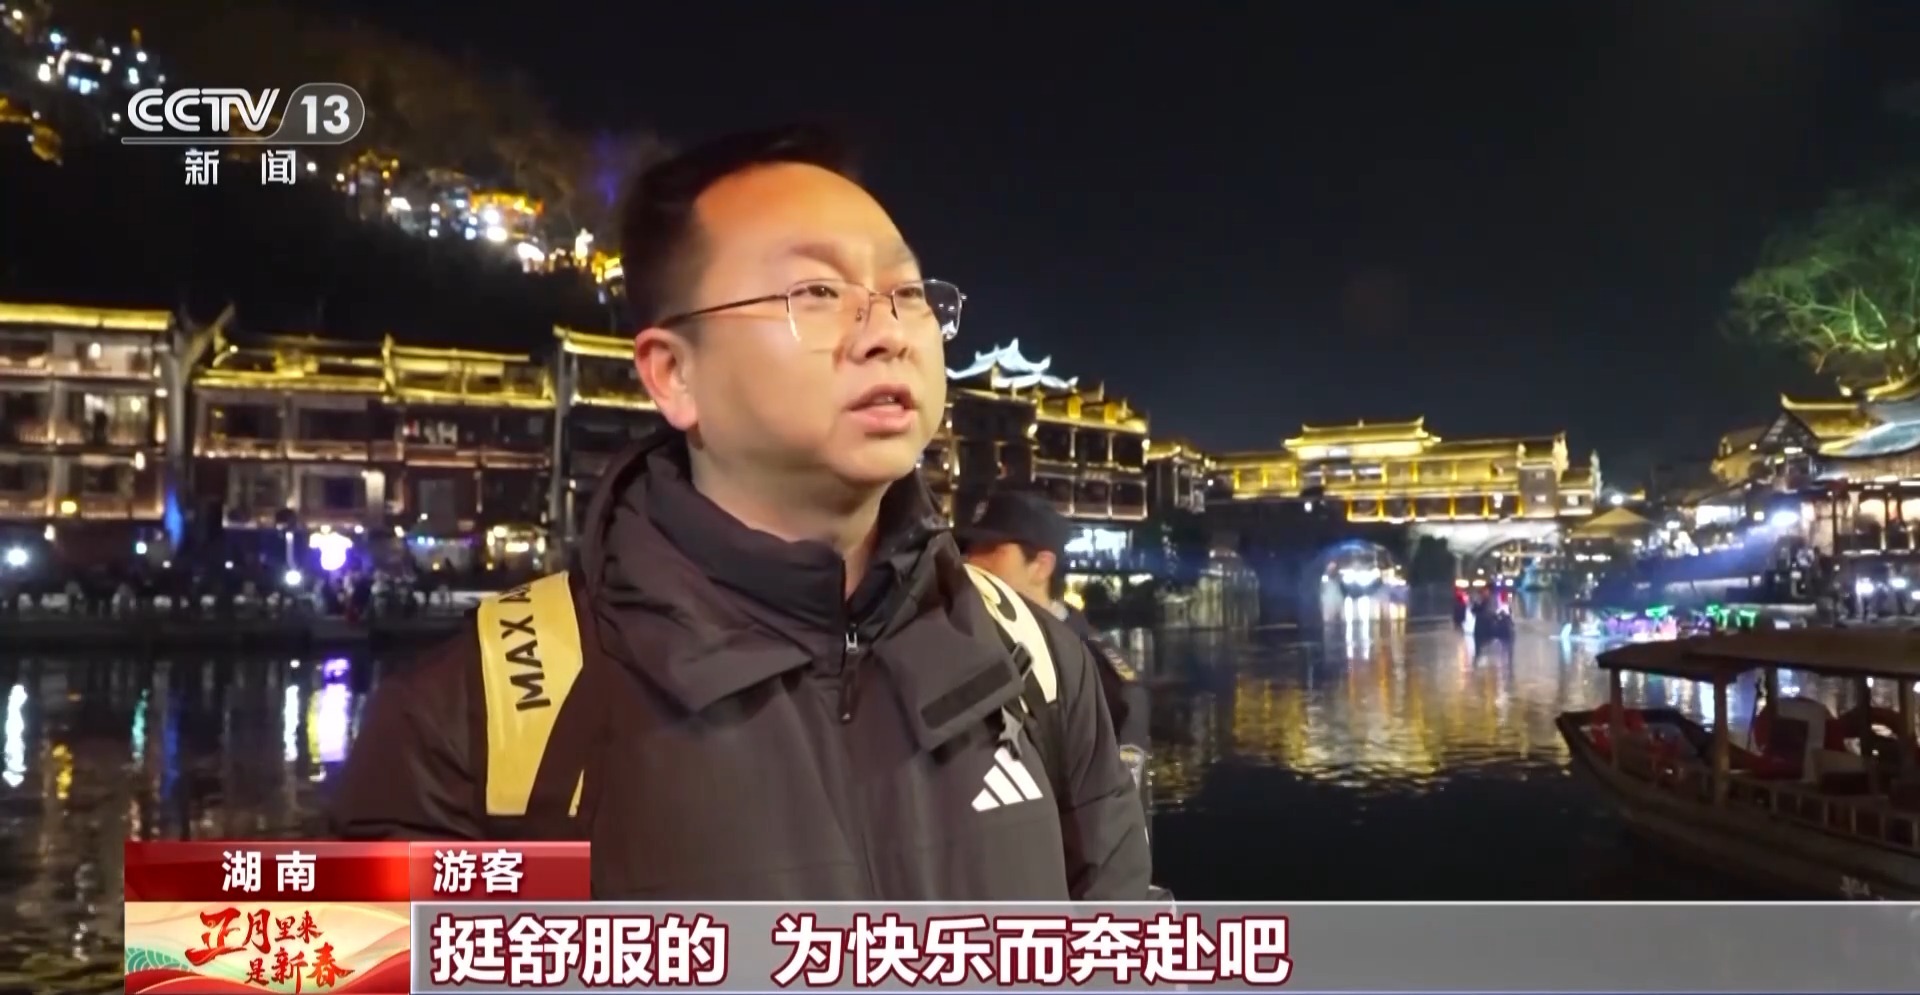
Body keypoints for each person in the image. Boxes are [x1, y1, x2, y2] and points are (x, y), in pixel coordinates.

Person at [327, 124, 1150, 902]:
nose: (888, 332)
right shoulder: (480, 717)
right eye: (817, 291)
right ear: (673, 374)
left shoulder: (1036, 663)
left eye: (907, 292)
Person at [957, 490, 1153, 828]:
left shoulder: (1100, 672)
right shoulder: (958, 645)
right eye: (969, 548)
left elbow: (1118, 822)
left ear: (1041, 566)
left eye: (991, 549)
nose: (972, 562)